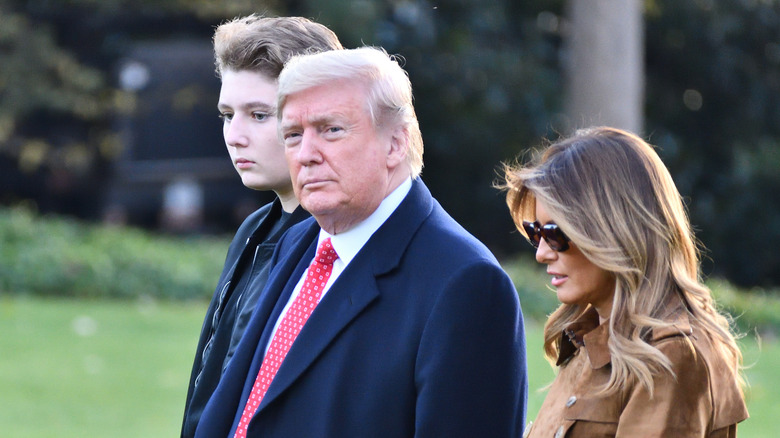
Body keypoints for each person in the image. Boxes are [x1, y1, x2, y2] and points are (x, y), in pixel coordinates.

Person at [194, 46, 527, 438]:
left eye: (331, 129)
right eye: (293, 135)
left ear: (396, 143)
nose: (305, 155)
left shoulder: (466, 283)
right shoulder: (298, 243)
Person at [502, 126, 748, 437]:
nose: (541, 253)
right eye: (537, 232)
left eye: (555, 233)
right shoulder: (591, 334)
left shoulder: (670, 356)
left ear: (614, 231)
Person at [180, 15, 343, 438]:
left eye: (257, 115)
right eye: (226, 114)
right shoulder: (255, 227)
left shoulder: (338, 242)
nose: (234, 135)